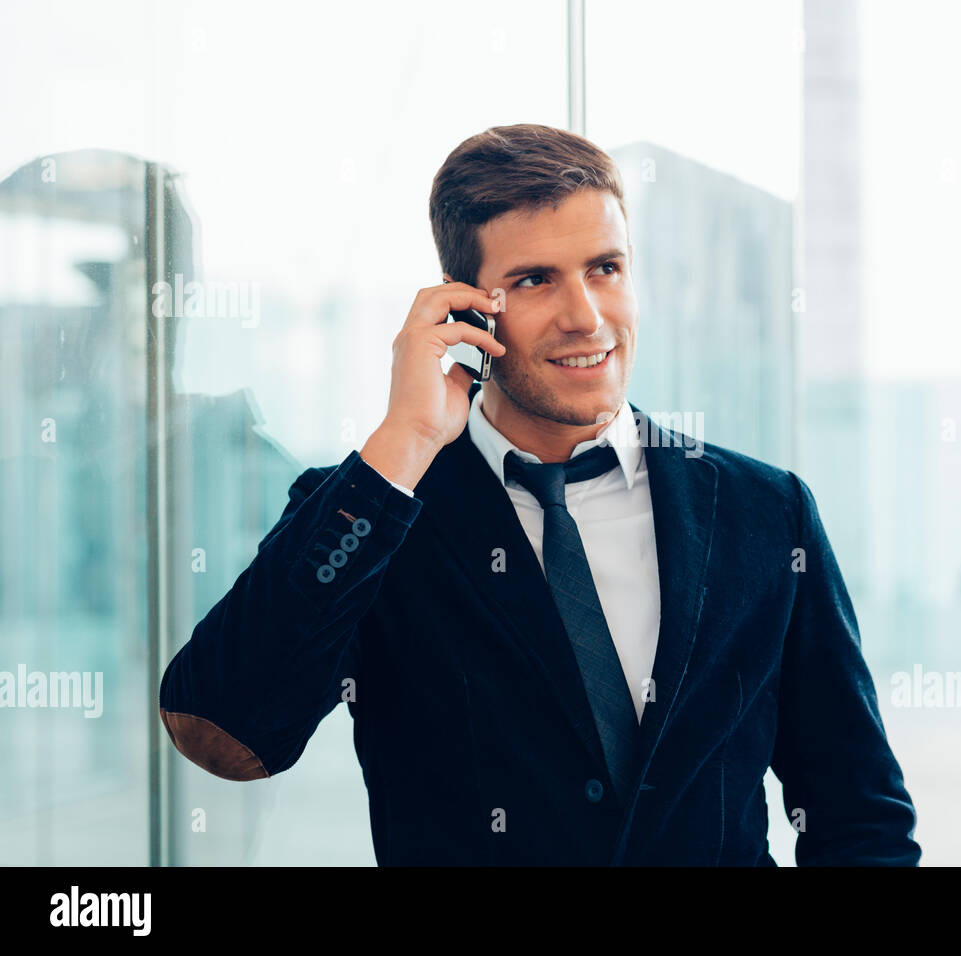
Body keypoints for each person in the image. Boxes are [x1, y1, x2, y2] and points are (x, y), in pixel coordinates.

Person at [158, 123, 921, 866]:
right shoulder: (375, 508)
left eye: (606, 268)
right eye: (534, 280)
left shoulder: (766, 511)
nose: (586, 317)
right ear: (465, 309)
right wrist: (404, 440)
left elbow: (859, 815)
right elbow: (225, 730)